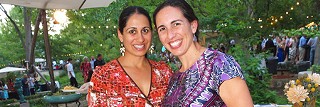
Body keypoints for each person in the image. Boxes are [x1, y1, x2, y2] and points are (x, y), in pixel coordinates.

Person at [153, 0, 253, 106]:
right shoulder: (175, 78)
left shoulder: (219, 65)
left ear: (193, 26)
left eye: (176, 24)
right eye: (162, 28)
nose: (170, 35)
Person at [88, 6, 173, 106]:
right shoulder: (104, 77)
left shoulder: (164, 72)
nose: (140, 38)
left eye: (145, 30)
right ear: (120, 35)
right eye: (132, 31)